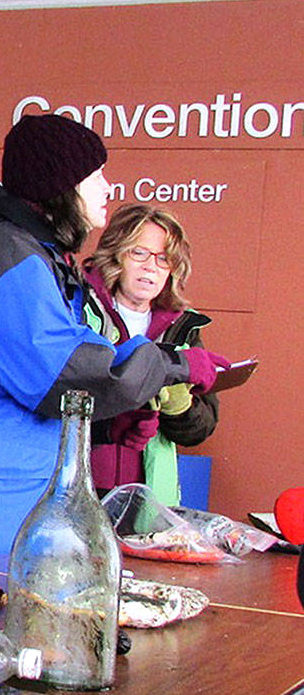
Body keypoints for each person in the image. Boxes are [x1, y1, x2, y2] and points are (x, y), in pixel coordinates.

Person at [0, 113, 229, 563]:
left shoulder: (33, 256)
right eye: (96, 176)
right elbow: (59, 372)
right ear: (63, 185)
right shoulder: (2, 253)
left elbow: (33, 379)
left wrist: (107, 423)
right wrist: (174, 364)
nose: (107, 188)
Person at [82, 204, 218, 505]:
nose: (151, 266)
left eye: (163, 258)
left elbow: (201, 428)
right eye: (138, 253)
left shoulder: (184, 327)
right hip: (78, 492)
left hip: (151, 502)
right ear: (116, 255)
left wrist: (178, 406)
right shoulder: (78, 309)